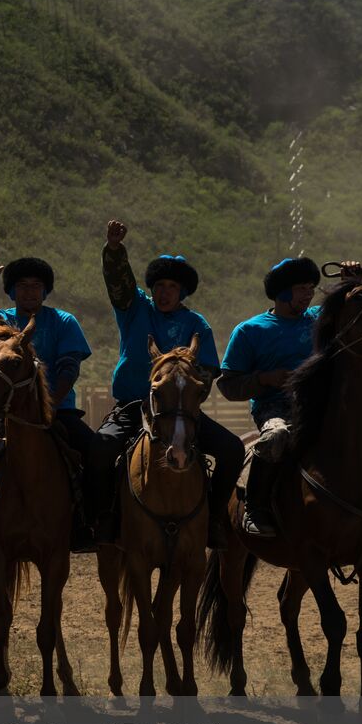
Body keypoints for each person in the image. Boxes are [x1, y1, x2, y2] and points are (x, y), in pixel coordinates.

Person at [85, 220, 244, 550]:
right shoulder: (135, 308)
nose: (164, 292)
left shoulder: (195, 323)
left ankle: (213, 519)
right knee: (99, 449)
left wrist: (187, 396)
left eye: (172, 287)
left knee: (232, 449)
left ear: (181, 292)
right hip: (132, 405)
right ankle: (102, 519)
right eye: (159, 286)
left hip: (181, 412)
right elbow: (120, 284)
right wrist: (114, 251)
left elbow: (208, 371)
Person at [219, 257, 362, 535]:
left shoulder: (319, 319)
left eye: (311, 288)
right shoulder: (250, 331)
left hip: (325, 405)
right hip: (274, 406)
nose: (308, 295)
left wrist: (350, 280)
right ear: (282, 292)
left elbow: (350, 308)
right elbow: (228, 385)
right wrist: (264, 379)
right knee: (275, 437)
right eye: (301, 289)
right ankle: (255, 508)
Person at [0, 248, 96, 549]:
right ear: (12, 291)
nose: (30, 291)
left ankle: (91, 524)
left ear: (45, 291)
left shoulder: (63, 321)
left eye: (36, 286)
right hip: (3, 415)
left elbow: (68, 368)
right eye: (23, 286)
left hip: (58, 412)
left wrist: (50, 407)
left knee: (97, 454)